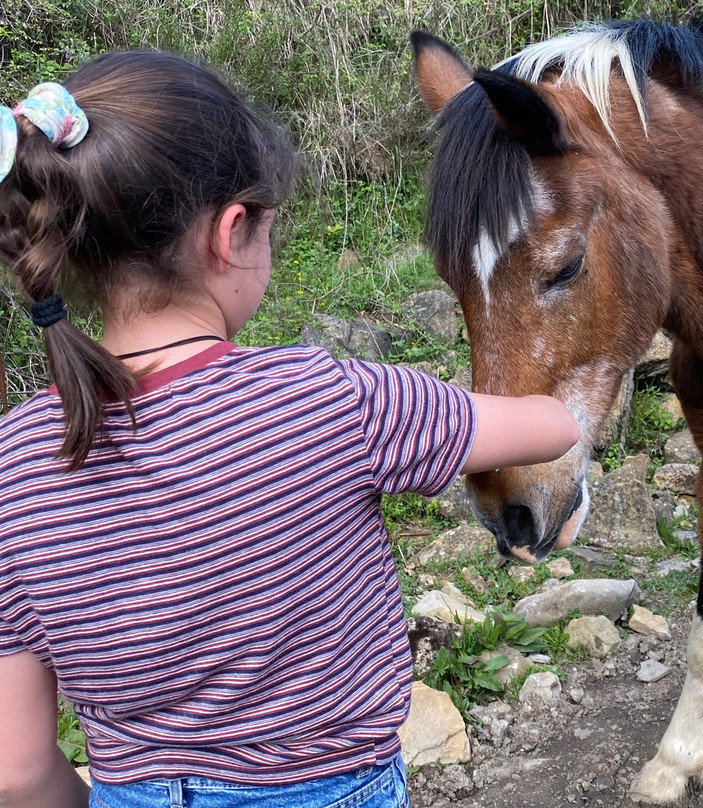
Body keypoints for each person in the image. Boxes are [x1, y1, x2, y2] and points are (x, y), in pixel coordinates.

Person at [0, 52, 579, 808]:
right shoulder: (325, 400)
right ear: (231, 231)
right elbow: (550, 426)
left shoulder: (13, 465)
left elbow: (16, 771)